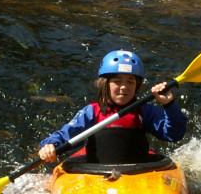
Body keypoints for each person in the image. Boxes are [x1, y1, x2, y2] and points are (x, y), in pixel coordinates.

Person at [38, 50, 188, 165]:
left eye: (130, 82)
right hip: (97, 172)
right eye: (117, 81)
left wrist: (168, 104)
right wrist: (50, 144)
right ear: (105, 84)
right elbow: (67, 134)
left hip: (138, 172)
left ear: (137, 86)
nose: (124, 87)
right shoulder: (92, 112)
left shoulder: (144, 111)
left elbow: (174, 134)